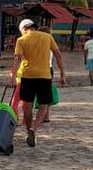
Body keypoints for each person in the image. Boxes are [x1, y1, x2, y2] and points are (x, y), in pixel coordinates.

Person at [10, 18, 66, 147]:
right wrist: (63, 74)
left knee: (27, 105)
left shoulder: (21, 40)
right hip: (44, 76)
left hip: (27, 76)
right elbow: (58, 55)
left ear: (24, 29)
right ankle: (33, 129)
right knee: (44, 105)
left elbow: (17, 60)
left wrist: (13, 78)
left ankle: (29, 129)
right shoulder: (47, 37)